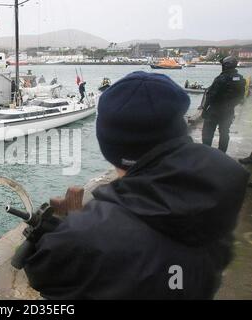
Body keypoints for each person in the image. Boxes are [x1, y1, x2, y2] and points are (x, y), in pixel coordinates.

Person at [23, 72, 250, 300]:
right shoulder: (223, 184)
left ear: (109, 145)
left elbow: (43, 273)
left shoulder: (87, 235)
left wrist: (71, 226)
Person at [202, 56, 246, 153]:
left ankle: (206, 153)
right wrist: (231, 105)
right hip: (229, 111)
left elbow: (210, 95)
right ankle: (222, 154)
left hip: (215, 110)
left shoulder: (221, 78)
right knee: (224, 133)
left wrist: (204, 109)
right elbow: (241, 97)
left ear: (226, 65)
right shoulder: (240, 79)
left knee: (207, 133)